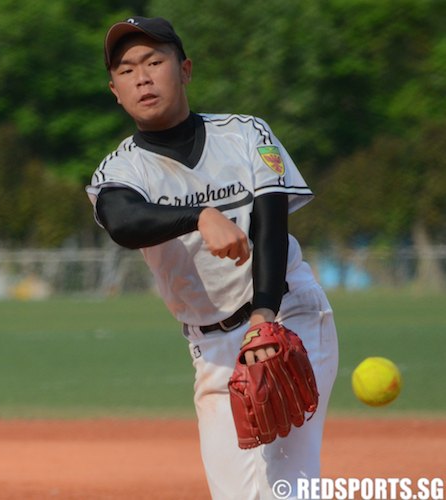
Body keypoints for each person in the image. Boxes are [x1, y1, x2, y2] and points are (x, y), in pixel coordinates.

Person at [86, 16, 339, 499]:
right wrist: (198, 215)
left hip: (287, 318)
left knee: (285, 488)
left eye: (154, 61)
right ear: (114, 90)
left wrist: (265, 316)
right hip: (212, 350)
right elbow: (123, 221)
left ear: (184, 69)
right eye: (126, 69)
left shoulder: (245, 134)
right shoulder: (119, 171)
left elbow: (270, 223)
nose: (141, 76)